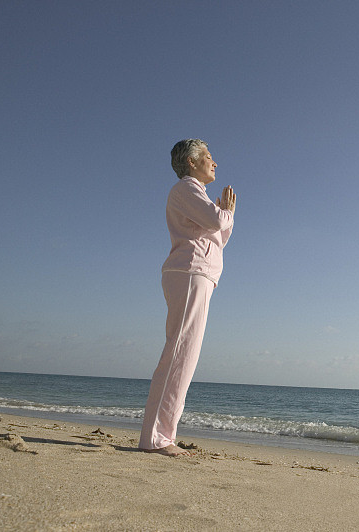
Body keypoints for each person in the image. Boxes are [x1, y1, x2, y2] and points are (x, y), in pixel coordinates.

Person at [139, 139, 236, 456]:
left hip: (199, 275)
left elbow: (219, 238)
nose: (215, 162)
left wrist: (224, 214)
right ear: (192, 162)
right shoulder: (186, 188)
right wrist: (225, 213)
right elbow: (217, 222)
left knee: (185, 357)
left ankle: (162, 435)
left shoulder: (198, 195)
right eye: (209, 156)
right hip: (190, 273)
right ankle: (156, 439)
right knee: (179, 354)